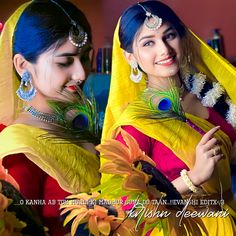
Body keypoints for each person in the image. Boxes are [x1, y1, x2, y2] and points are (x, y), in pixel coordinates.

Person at [101, 1, 236, 235]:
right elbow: (127, 210)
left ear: (182, 37)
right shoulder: (136, 123)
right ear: (130, 57)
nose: (164, 49)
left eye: (169, 35)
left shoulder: (211, 95)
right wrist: (193, 178)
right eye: (148, 43)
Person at [0, 0, 100, 235]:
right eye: (65, 62)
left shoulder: (79, 122)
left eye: (85, 57)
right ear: (23, 65)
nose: (81, 73)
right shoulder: (19, 153)